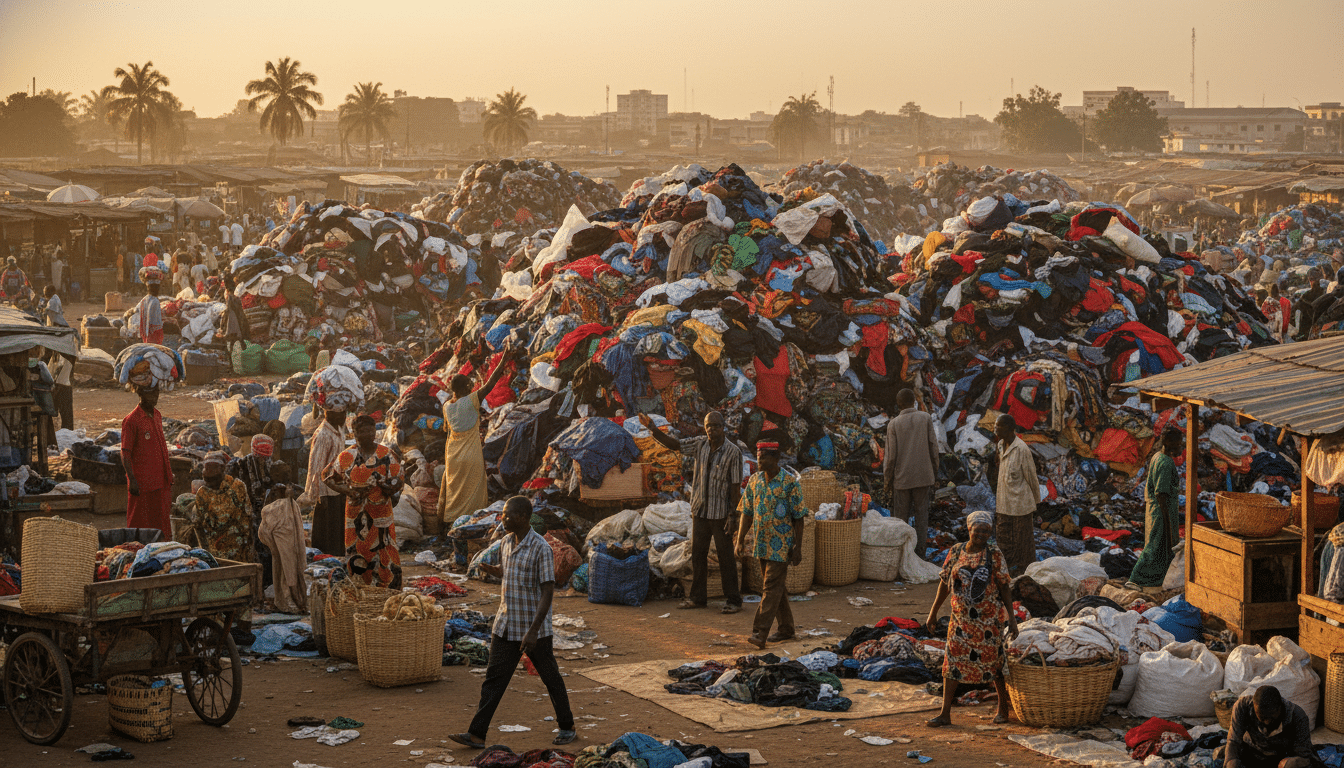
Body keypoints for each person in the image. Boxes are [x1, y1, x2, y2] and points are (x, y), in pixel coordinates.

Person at [450, 496, 576, 751]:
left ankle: (567, 726)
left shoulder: (541, 548)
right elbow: (509, 570)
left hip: (533, 629)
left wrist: (533, 631)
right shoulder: (506, 542)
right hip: (506, 624)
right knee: (493, 680)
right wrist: (494, 570)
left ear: (522, 517)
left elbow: (548, 591)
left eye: (507, 515)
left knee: (550, 677)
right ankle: (477, 734)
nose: (503, 518)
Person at [642, 410, 744, 614]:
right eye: (708, 426)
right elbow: (675, 445)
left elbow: (735, 487)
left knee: (726, 557)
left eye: (715, 426)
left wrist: (733, 516)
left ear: (723, 427)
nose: (711, 430)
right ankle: (698, 598)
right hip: (699, 510)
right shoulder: (700, 444)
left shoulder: (734, 452)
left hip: (721, 513)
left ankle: (733, 600)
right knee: (698, 554)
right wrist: (653, 429)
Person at [925, 510, 1018, 728]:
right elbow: (944, 583)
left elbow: (1004, 585)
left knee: (994, 663)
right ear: (969, 530)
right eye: (978, 530)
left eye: (986, 531)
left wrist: (1011, 618)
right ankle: (945, 713)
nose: (982, 534)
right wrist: (933, 612)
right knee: (952, 662)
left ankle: (1003, 708)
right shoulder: (956, 551)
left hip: (988, 620)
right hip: (960, 620)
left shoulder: (994, 553)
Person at [734, 441, 807, 649]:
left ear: (775, 458)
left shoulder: (789, 483)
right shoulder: (754, 481)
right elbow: (746, 513)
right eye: (758, 456)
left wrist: (798, 547)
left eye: (764, 457)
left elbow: (799, 517)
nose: (759, 460)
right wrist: (739, 541)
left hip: (781, 545)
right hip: (762, 544)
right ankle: (786, 628)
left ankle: (760, 632)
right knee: (776, 588)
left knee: (770, 587)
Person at [438, 346, 520, 526]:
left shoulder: (447, 407)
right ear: (466, 387)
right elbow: (490, 384)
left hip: (453, 455)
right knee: (474, 491)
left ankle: (452, 521)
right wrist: (504, 357)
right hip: (471, 454)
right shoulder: (471, 401)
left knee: (455, 490)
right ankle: (472, 523)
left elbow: (447, 430)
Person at [323, 414, 403, 588]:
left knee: (385, 549)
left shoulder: (387, 455)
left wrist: (388, 489)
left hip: (381, 513)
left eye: (370, 430)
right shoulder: (346, 456)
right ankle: (361, 590)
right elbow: (327, 477)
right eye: (362, 431)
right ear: (354, 433)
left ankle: (388, 590)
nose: (368, 434)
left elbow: (400, 479)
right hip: (355, 513)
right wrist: (348, 490)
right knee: (357, 551)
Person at [883, 388, 940, 557]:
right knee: (922, 517)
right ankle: (920, 553)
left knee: (901, 520)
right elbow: (933, 448)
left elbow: (890, 457)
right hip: (924, 477)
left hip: (902, 479)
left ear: (898, 404)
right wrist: (934, 472)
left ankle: (902, 554)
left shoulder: (894, 424)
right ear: (914, 401)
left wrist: (887, 481)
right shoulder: (925, 418)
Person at [1127, 430, 1183, 590]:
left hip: (1156, 509)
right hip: (1160, 511)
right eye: (1179, 443)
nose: (1181, 447)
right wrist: (1166, 519)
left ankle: (1155, 579)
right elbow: (1161, 493)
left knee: (1161, 547)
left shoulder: (1158, 456)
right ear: (1171, 444)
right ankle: (1136, 579)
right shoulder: (1165, 463)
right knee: (1154, 545)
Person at [227, 434, 281, 588]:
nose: (263, 460)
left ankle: (268, 583)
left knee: (270, 547)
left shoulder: (272, 466)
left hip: (265, 512)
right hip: (243, 513)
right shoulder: (238, 466)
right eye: (260, 457)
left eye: (265, 457)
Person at [121, 385, 174, 538]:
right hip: (143, 483)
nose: (155, 397)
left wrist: (169, 473)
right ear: (141, 394)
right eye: (151, 393)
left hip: (161, 481)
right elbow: (125, 453)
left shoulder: (157, 415)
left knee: (161, 522)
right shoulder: (131, 420)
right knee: (140, 523)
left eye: (156, 393)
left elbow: (161, 447)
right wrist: (132, 480)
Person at [1224, 686, 1314, 768]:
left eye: (1271, 717)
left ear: (1280, 707)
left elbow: (1303, 756)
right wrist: (1231, 761)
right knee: (1228, 759)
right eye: (1262, 718)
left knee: (1290, 765)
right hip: (1252, 750)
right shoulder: (1242, 707)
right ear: (1254, 709)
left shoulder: (1297, 716)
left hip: (1281, 755)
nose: (1267, 722)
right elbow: (1233, 741)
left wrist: (1290, 763)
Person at [993, 415, 1039, 576]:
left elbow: (1031, 477)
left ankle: (1026, 574)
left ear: (1010, 429)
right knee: (1004, 540)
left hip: (1021, 504)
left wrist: (1036, 502)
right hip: (1003, 503)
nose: (996, 429)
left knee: (1023, 544)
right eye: (995, 426)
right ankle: (1007, 572)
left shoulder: (1022, 449)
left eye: (999, 426)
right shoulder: (999, 445)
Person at [259, 470, 308, 614]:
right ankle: (295, 602)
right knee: (290, 572)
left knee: (287, 571)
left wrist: (272, 545)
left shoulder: (288, 505)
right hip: (285, 542)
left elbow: (263, 532)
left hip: (286, 543)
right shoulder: (282, 505)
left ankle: (293, 602)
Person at [192, 451, 255, 562]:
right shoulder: (202, 493)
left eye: (212, 467)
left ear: (222, 468)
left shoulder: (237, 487)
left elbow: (248, 519)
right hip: (215, 554)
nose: (207, 472)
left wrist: (249, 549)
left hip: (240, 551)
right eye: (206, 468)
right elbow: (198, 526)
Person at [301, 407, 347, 556]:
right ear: (329, 413)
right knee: (327, 533)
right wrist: (319, 495)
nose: (343, 416)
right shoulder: (323, 435)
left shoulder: (339, 430)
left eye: (344, 413)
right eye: (339, 413)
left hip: (338, 488)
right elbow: (316, 468)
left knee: (337, 531)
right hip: (326, 492)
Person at [136, 267, 165, 343]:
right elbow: (155, 323)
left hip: (146, 336)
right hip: (154, 335)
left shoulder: (144, 300)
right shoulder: (155, 301)